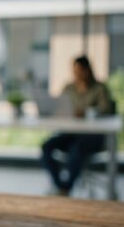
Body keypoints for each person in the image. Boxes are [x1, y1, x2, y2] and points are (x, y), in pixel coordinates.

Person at [41, 55, 114, 196]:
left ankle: (66, 188)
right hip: (71, 133)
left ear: (87, 70)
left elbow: (107, 109)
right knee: (47, 146)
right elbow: (60, 106)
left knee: (76, 148)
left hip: (93, 136)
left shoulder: (100, 88)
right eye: (74, 71)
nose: (77, 75)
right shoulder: (69, 88)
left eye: (80, 71)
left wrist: (86, 112)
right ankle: (61, 185)